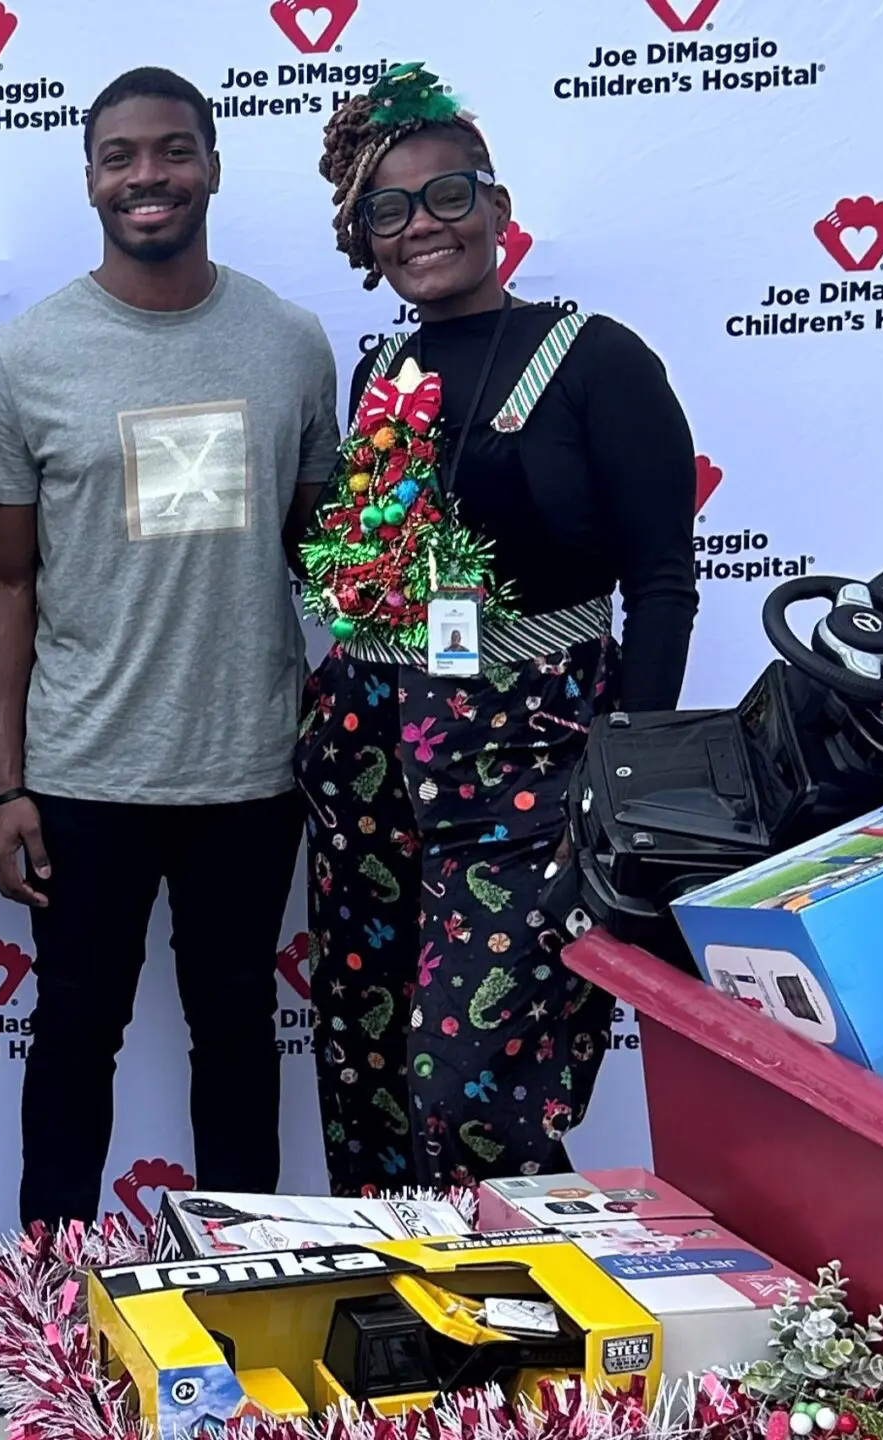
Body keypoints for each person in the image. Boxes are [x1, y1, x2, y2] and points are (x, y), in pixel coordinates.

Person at [0, 65, 338, 1413]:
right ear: (89, 178)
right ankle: (43, 1319)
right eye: (120, 156)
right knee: (74, 1040)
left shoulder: (291, 344)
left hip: (249, 770)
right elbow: (8, 586)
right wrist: (5, 786)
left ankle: (244, 1314)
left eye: (172, 151)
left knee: (238, 1041)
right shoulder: (22, 361)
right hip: (83, 773)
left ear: (214, 164)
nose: (148, 177)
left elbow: (320, 552)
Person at [299, 63, 697, 1194]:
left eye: (447, 195)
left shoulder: (598, 359)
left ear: (496, 206)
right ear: (364, 236)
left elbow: (662, 583)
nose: (421, 226)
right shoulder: (383, 370)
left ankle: (510, 1292)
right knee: (367, 1054)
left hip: (531, 754)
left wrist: (627, 777)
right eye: (390, 209)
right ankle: (393, 1286)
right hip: (369, 750)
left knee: (476, 1080)